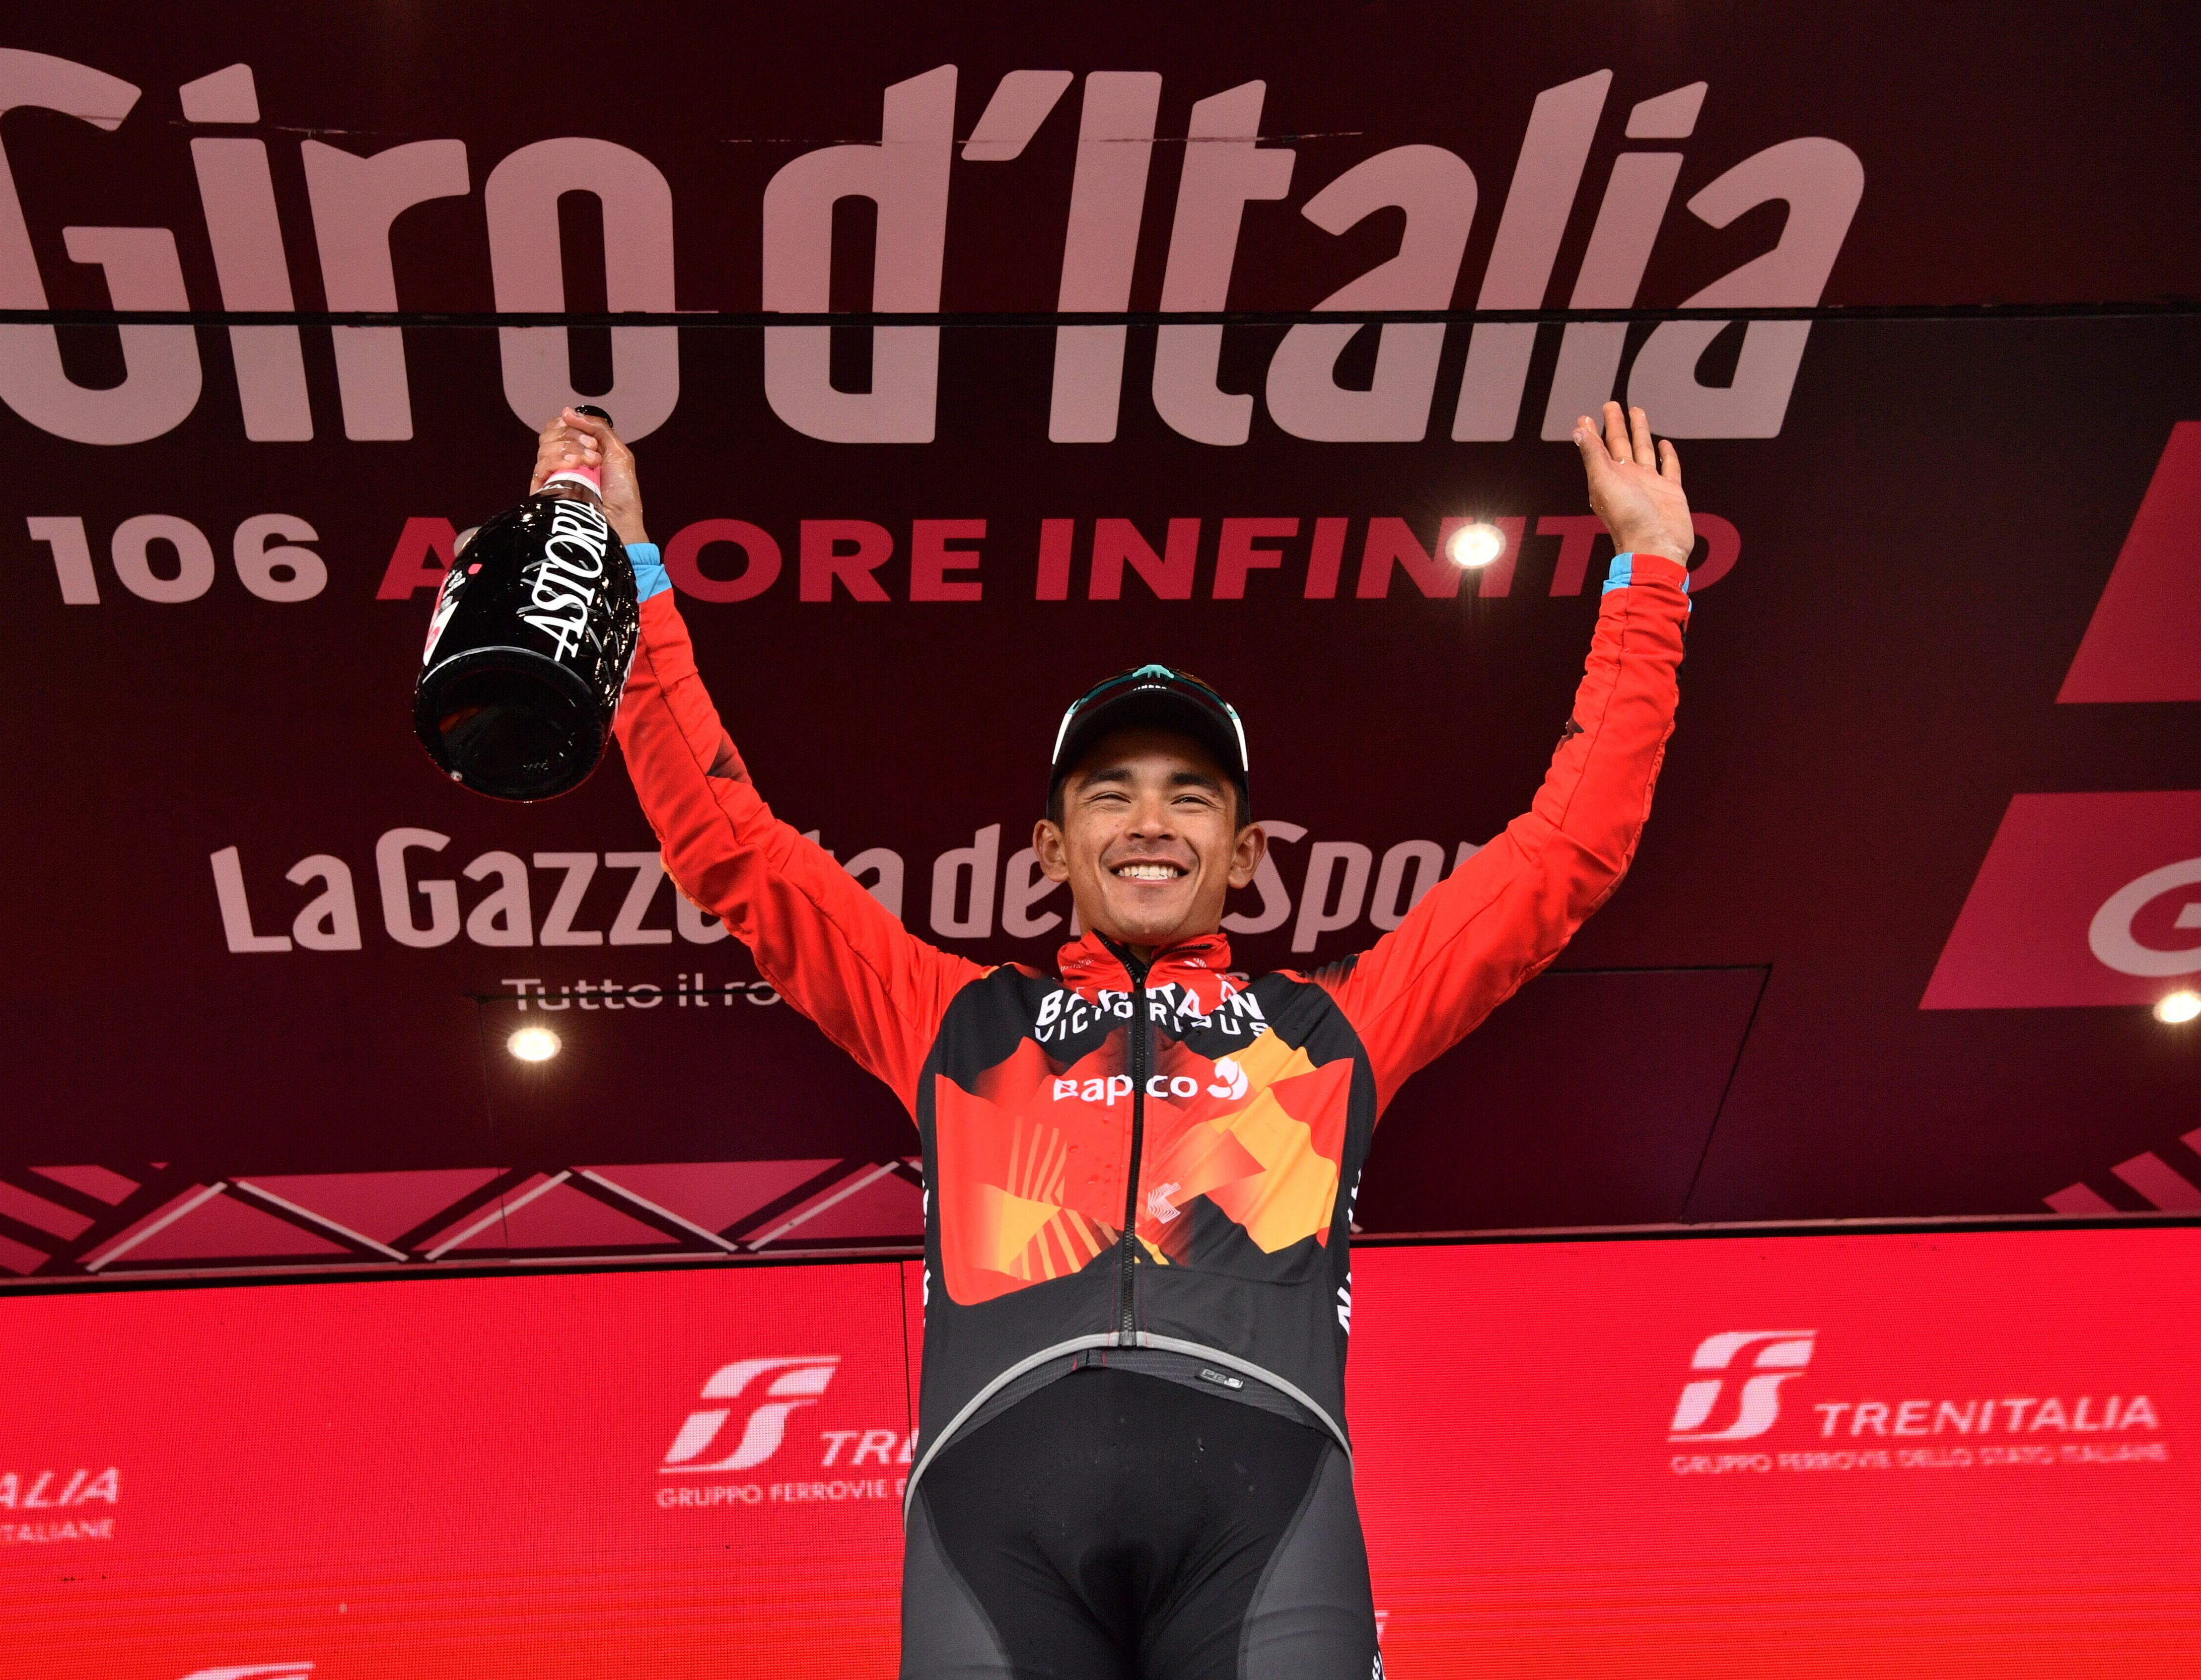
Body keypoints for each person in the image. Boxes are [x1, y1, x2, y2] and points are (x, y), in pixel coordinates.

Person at [529, 401, 1694, 1679]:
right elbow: (730, 848)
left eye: (1191, 796)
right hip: (994, 1515)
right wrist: (626, 567)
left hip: (1267, 1505)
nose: (1150, 823)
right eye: (1110, 795)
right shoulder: (958, 1022)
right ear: (1051, 847)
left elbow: (1565, 854)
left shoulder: (1327, 1031)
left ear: (1243, 855)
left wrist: (1649, 573)